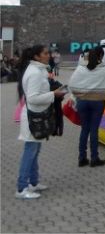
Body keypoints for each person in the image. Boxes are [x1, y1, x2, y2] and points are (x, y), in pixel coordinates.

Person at [16, 45, 68, 199]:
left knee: (35, 151)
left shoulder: (40, 71)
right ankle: (22, 188)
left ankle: (33, 182)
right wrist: (54, 94)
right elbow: (32, 97)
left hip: (38, 116)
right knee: (30, 151)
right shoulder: (34, 73)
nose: (49, 55)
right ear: (37, 57)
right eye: (45, 53)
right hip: (33, 117)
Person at [70, 46, 105, 167]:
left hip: (82, 102)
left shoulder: (80, 68)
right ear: (101, 56)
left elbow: (71, 84)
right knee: (94, 130)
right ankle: (94, 158)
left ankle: (82, 158)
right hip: (97, 102)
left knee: (84, 129)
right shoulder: (104, 69)